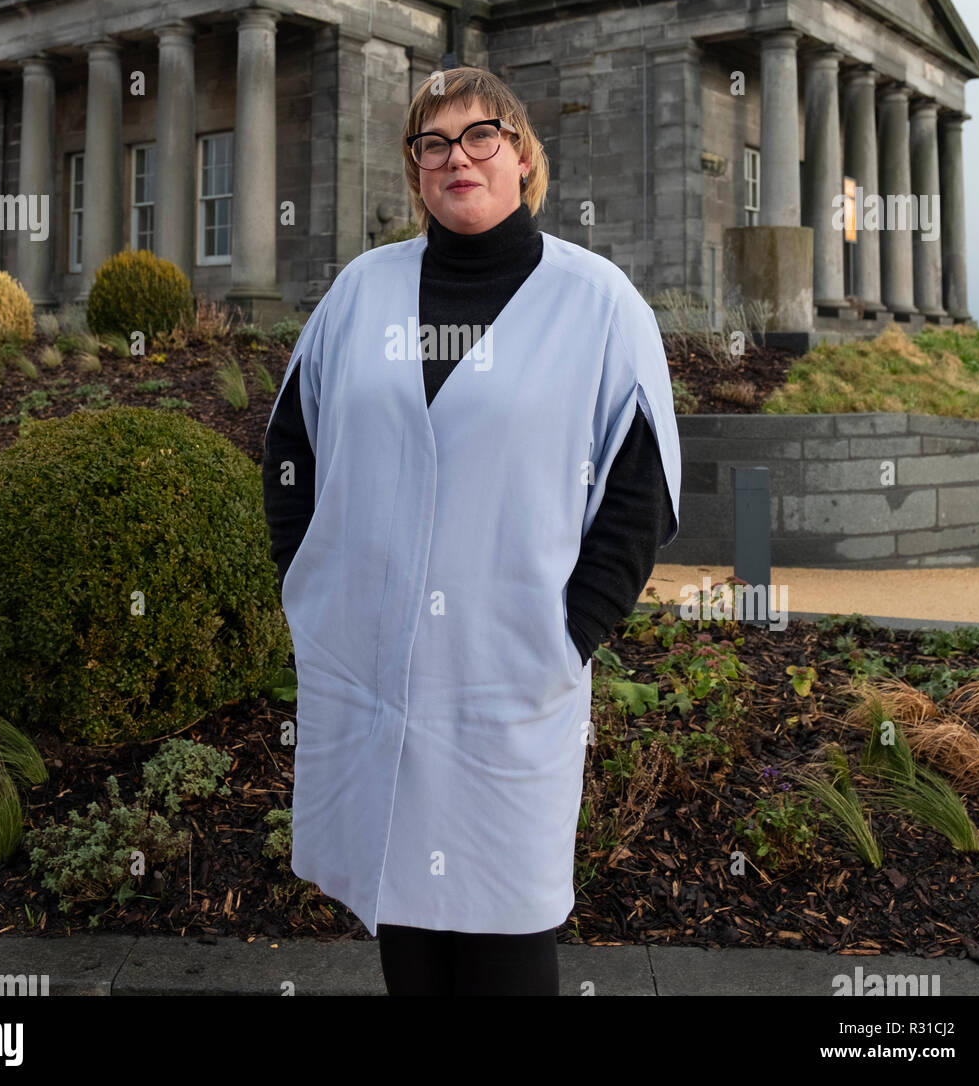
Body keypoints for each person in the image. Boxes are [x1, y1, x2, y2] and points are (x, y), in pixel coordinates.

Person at [262, 66, 680, 996]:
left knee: (505, 945)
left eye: (480, 136)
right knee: (406, 937)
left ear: (523, 157)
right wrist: (312, 587)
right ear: (414, 173)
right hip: (371, 672)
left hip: (510, 677)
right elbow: (290, 446)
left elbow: (639, 491)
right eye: (432, 143)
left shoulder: (597, 303)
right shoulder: (361, 294)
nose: (457, 158)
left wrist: (569, 634)